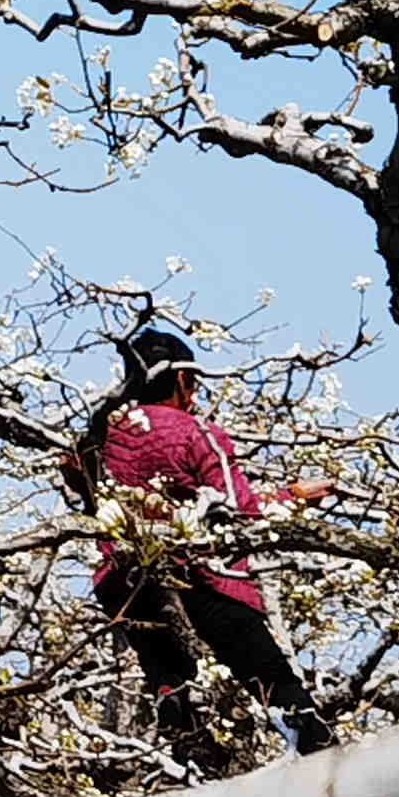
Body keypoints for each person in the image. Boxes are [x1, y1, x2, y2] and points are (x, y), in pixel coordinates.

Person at [71, 324, 335, 756]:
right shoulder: (196, 433)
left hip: (124, 580)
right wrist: (295, 498)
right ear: (179, 379)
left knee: (168, 675)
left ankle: (188, 745)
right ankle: (320, 754)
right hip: (201, 575)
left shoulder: (103, 437)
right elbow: (239, 513)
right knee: (270, 679)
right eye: (193, 383)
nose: (195, 394)